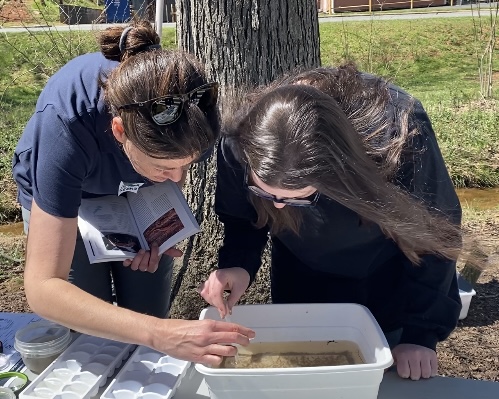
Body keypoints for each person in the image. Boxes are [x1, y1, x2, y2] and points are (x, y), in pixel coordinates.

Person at [12, 21, 254, 366]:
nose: (177, 178)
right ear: (119, 131)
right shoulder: (66, 125)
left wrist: (157, 223)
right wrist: (161, 333)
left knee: (145, 299)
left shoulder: (194, 115)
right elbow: (43, 288)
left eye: (188, 164)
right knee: (86, 314)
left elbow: (170, 171)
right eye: (163, 167)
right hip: (71, 194)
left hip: (130, 182)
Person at [198, 64, 463, 379]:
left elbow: (435, 235)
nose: (279, 205)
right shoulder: (240, 140)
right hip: (300, 271)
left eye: (297, 197)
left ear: (335, 172)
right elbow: (241, 217)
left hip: (386, 273)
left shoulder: (399, 137)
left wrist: (421, 335)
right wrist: (238, 263)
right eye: (265, 193)